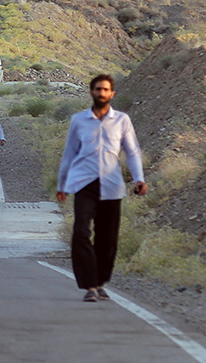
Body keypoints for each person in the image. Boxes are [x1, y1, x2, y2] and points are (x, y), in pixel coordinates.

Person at [57, 74, 147, 303]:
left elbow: (133, 151)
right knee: (80, 232)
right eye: (98, 89)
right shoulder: (79, 120)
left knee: (108, 239)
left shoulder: (122, 121)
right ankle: (89, 284)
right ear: (91, 92)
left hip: (111, 185)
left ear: (112, 94)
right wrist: (63, 185)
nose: (101, 93)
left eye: (106, 89)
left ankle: (99, 282)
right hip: (84, 183)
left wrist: (139, 178)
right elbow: (70, 152)